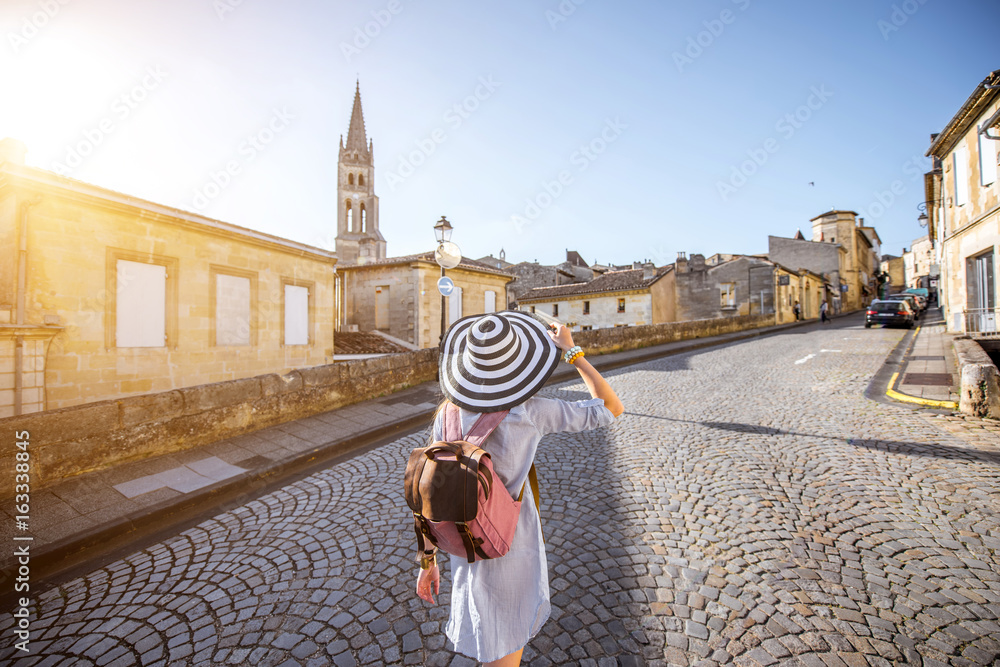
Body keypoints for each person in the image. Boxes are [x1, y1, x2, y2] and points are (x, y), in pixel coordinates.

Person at [415, 311, 624, 666]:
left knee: (487, 637)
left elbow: (430, 493)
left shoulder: (445, 415)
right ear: (515, 366)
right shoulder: (528, 412)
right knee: (505, 643)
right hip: (511, 543)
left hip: (465, 544)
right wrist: (572, 352)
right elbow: (610, 407)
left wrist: (427, 560)